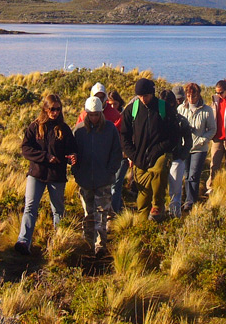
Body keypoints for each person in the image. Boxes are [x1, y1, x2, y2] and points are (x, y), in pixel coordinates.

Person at [15, 94, 77, 255]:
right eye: (51, 109)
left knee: (57, 209)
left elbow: (71, 149)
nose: (54, 112)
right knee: (30, 207)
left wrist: (72, 157)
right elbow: (26, 149)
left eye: (57, 109)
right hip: (37, 174)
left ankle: (59, 242)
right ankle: (23, 242)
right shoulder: (35, 127)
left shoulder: (64, 129)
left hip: (57, 176)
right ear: (45, 109)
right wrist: (45, 157)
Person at [120, 78, 178, 223]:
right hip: (140, 157)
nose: (143, 99)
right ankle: (143, 225)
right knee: (143, 196)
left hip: (160, 153)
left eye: (145, 95)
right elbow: (124, 136)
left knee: (158, 172)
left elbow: (174, 135)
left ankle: (158, 205)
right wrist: (134, 156)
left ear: (152, 93)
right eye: (140, 96)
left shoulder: (164, 108)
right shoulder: (131, 110)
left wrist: (158, 150)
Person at [72, 96, 122, 254]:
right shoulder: (78, 131)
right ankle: (88, 245)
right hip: (85, 181)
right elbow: (72, 155)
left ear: (101, 113)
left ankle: (100, 246)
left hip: (104, 181)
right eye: (91, 114)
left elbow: (116, 153)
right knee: (89, 215)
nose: (93, 117)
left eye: (96, 114)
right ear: (86, 113)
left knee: (101, 214)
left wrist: (110, 172)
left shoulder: (110, 129)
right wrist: (77, 172)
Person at [177, 82, 216, 212]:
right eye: (188, 95)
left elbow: (212, 129)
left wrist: (202, 140)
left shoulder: (207, 110)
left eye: (193, 96)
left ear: (198, 95)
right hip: (185, 147)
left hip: (199, 148)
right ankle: (188, 197)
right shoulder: (181, 109)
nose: (191, 98)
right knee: (186, 174)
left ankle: (191, 201)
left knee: (194, 175)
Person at [161, 89, 193, 217]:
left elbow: (188, 140)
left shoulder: (180, 120)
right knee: (159, 190)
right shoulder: (156, 120)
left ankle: (175, 215)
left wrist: (182, 156)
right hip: (160, 159)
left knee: (175, 191)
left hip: (176, 158)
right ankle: (161, 214)